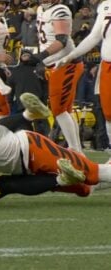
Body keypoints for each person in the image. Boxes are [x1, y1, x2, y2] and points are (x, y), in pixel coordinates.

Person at [55, 0, 111, 157]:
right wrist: (72, 55)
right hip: (107, 65)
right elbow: (94, 36)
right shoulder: (106, 6)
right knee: (109, 114)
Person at [34, 0, 84, 153]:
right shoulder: (41, 9)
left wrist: (40, 57)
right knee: (64, 111)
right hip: (55, 64)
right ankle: (76, 150)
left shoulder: (60, 9)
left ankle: (75, 151)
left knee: (59, 110)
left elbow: (61, 40)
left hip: (65, 64)